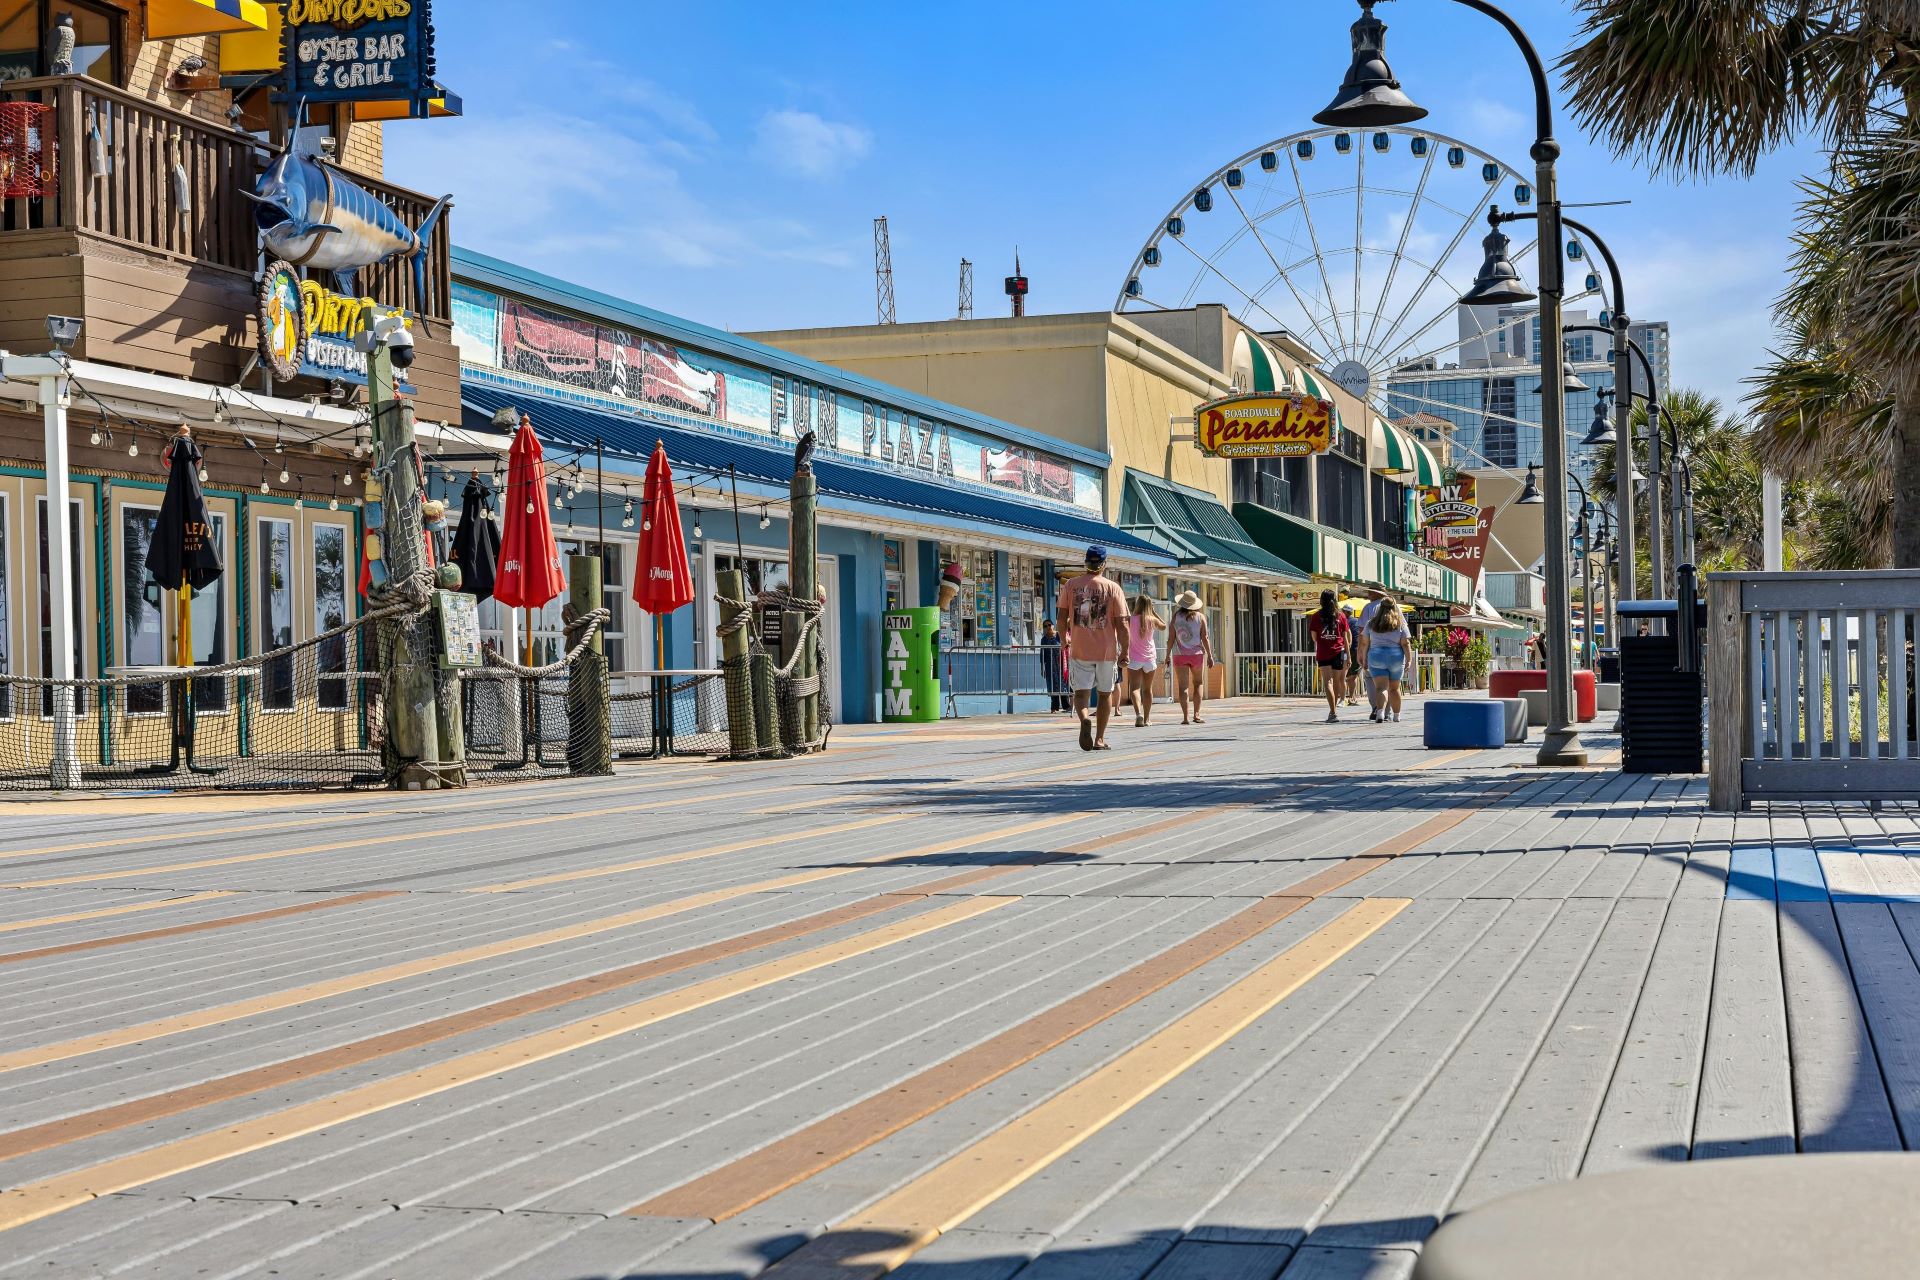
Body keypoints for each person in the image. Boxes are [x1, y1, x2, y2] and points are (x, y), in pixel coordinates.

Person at [1055, 545, 1130, 750]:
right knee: (1105, 694)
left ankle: (1084, 719)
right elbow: (1122, 624)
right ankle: (1099, 739)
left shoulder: (1070, 585)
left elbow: (1061, 618)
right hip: (1106, 651)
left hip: (1080, 649)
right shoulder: (1113, 588)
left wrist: (1064, 639)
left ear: (1086, 562)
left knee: (1081, 694)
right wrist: (1125, 652)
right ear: (1104, 564)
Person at [1358, 594, 1416, 722]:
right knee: (1394, 688)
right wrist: (1409, 659)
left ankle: (1380, 713)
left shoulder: (1371, 623)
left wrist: (1364, 658)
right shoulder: (1400, 623)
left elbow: (1364, 642)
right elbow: (1405, 643)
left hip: (1376, 656)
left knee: (1381, 688)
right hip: (1395, 657)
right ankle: (1396, 715)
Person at [1169, 590, 1214, 725]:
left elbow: (1171, 638)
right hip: (1197, 656)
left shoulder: (1176, 616)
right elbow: (1205, 638)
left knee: (1183, 687)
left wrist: (1166, 656)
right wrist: (1210, 655)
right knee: (1198, 683)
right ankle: (1197, 715)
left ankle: (1185, 717)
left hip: (1179, 655)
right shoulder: (1200, 617)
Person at [1123, 594, 1167, 727]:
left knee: (1135, 688)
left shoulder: (1130, 620)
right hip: (1149, 659)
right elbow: (1164, 626)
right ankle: (1147, 719)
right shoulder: (1152, 619)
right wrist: (1153, 612)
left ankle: (1138, 714)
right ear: (1149, 606)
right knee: (1147, 689)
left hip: (1134, 658)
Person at [1309, 589, 1352, 723]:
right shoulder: (1341, 616)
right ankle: (1335, 709)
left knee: (1328, 681)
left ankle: (1332, 712)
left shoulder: (1316, 616)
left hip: (1323, 652)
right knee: (1337, 681)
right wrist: (1349, 656)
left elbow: (1314, 637)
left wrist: (1324, 639)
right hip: (1338, 652)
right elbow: (1345, 638)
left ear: (1321, 600)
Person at [1039, 618, 1068, 713]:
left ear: (1053, 625)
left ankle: (1066, 705)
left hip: (1060, 664)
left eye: (1049, 625)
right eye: (1045, 626)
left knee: (1062, 685)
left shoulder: (1059, 635)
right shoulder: (1043, 639)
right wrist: (1042, 667)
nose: (1048, 627)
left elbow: (1067, 643)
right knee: (1052, 685)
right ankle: (1054, 706)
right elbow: (1042, 654)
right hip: (1050, 665)